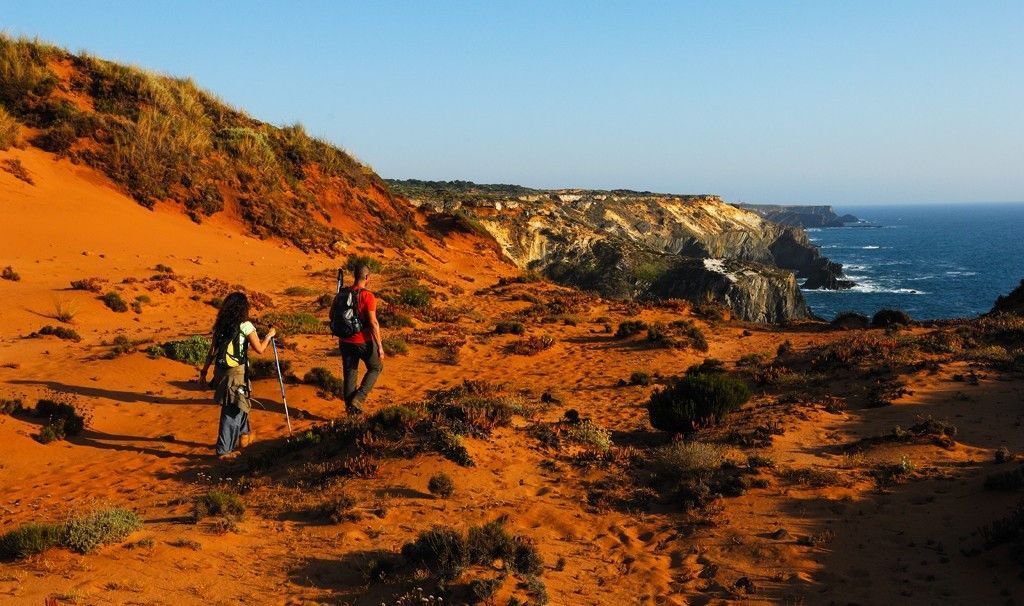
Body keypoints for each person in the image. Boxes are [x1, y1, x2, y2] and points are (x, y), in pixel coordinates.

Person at [199, 292, 275, 459]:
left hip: (221, 373)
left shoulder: (221, 325)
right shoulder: (246, 326)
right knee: (232, 410)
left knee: (242, 400)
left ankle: (244, 435)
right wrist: (269, 335)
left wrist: (204, 372)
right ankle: (224, 450)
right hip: (236, 374)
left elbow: (212, 351)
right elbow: (260, 349)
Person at [332, 264, 383, 415]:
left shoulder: (342, 293)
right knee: (376, 367)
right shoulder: (368, 296)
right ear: (367, 277)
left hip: (345, 341)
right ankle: (359, 398)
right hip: (363, 341)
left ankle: (351, 412)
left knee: (350, 374)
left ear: (354, 276)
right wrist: (380, 347)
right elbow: (373, 323)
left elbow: (331, 315)